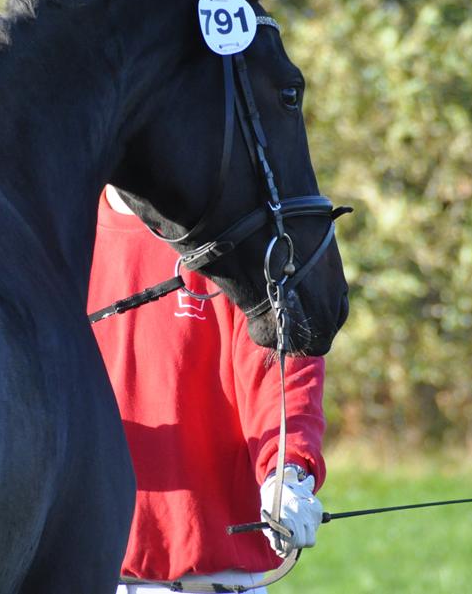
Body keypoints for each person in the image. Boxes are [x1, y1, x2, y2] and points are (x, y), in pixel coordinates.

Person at [88, 185, 327, 592]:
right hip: (77, 571)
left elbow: (279, 364)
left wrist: (286, 470)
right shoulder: (51, 226)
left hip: (213, 579)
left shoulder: (236, 231)